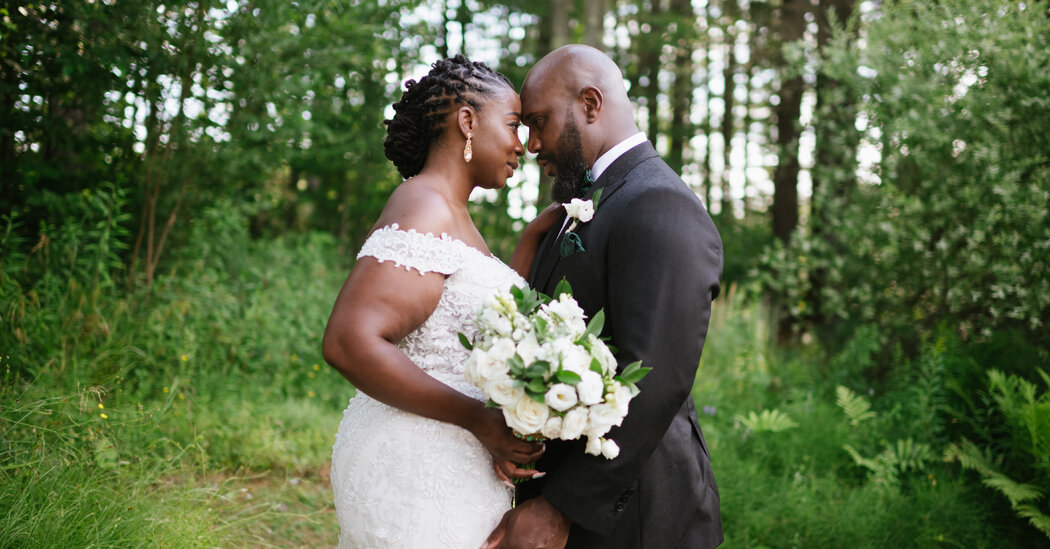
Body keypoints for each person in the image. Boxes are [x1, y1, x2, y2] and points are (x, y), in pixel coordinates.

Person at [484, 45, 725, 549]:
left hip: (637, 515)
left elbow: (655, 377)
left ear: (591, 104)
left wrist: (560, 509)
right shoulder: (589, 202)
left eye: (539, 121)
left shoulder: (659, 204)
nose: (530, 144)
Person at [322, 55, 557, 549]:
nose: (521, 145)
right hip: (416, 468)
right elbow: (348, 340)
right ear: (467, 121)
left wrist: (534, 239)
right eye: (513, 125)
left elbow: (463, 323)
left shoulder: (453, 215)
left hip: (445, 464)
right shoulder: (425, 203)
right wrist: (481, 421)